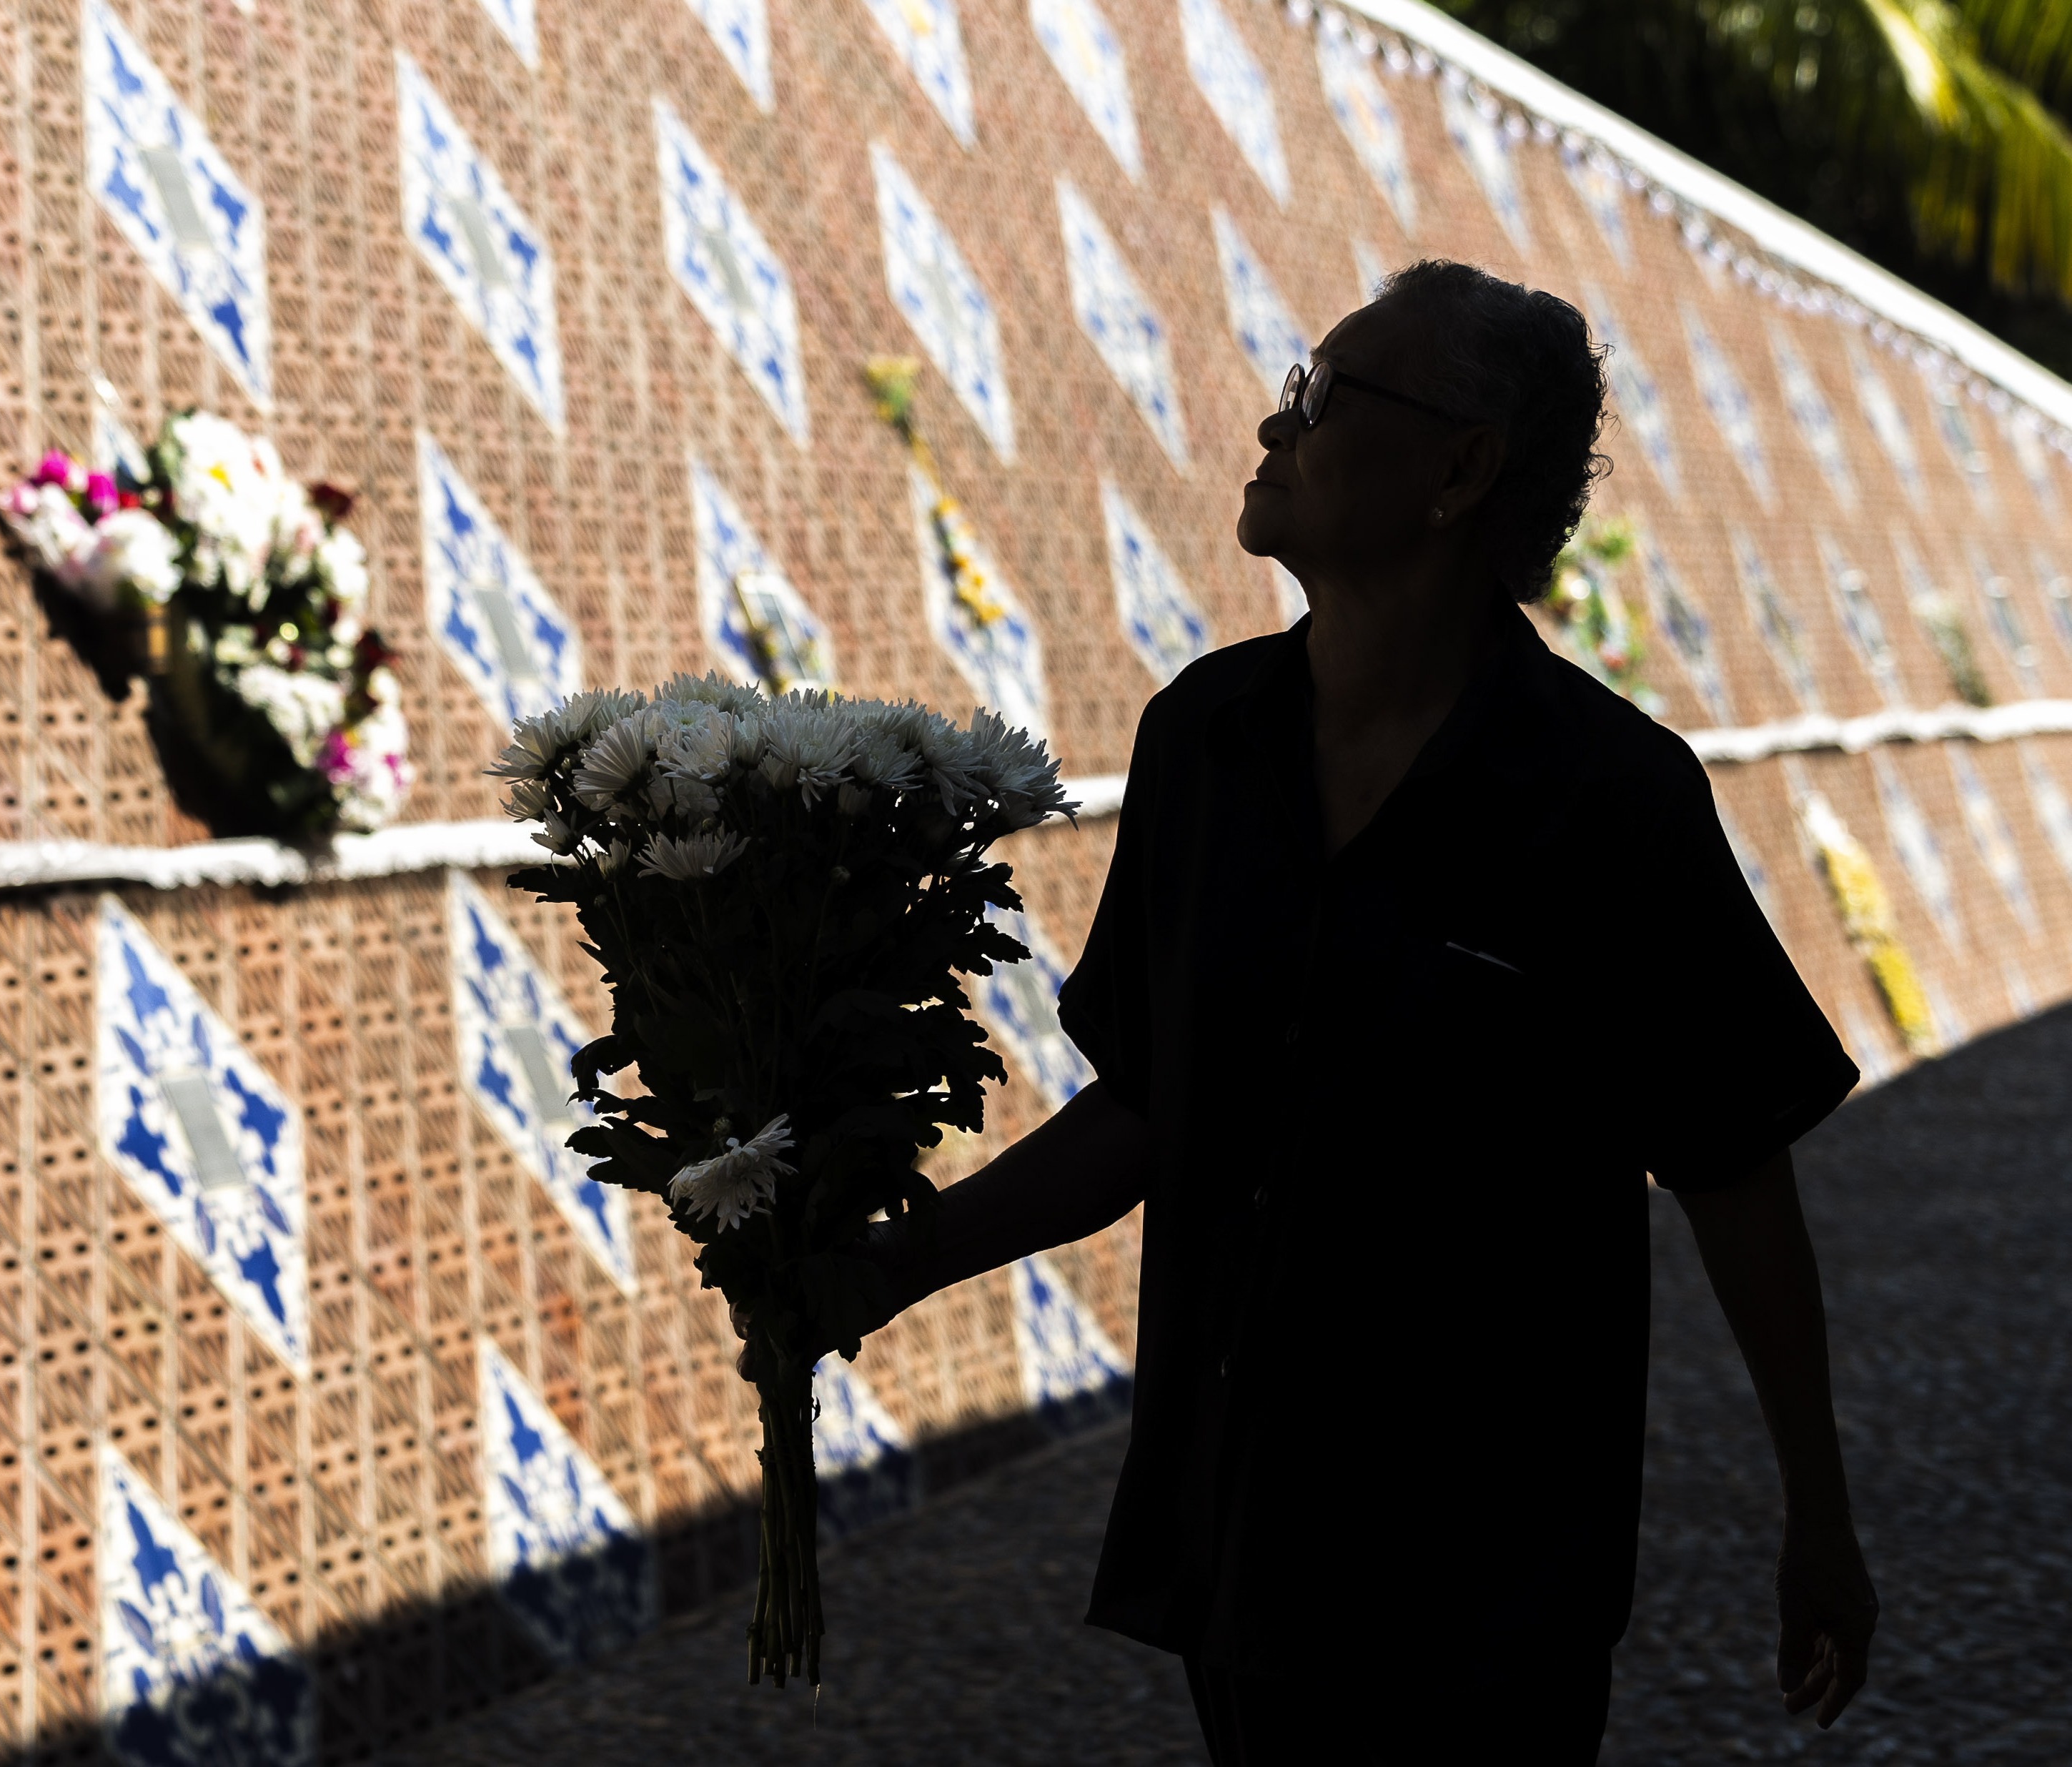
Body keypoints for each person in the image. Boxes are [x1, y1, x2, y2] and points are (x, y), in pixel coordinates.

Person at [745, 259, 1880, 1762]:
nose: (1275, 428)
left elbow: (1733, 1165)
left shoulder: (1612, 801)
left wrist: (1817, 1515)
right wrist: (892, 1268)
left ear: (1458, 471)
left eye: (1324, 396)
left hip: (1486, 1585)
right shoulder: (1201, 741)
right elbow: (1158, 1105)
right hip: (1242, 1537)